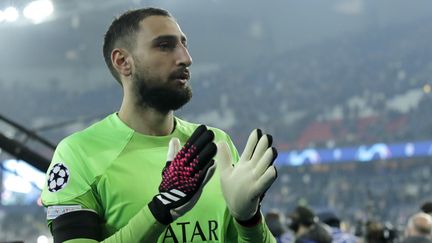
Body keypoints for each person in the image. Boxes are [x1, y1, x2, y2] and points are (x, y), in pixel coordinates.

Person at [41, 7, 278, 243]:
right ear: (123, 61)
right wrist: (159, 210)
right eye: (165, 46)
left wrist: (249, 221)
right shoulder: (79, 152)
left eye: (184, 44)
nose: (186, 58)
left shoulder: (215, 145)